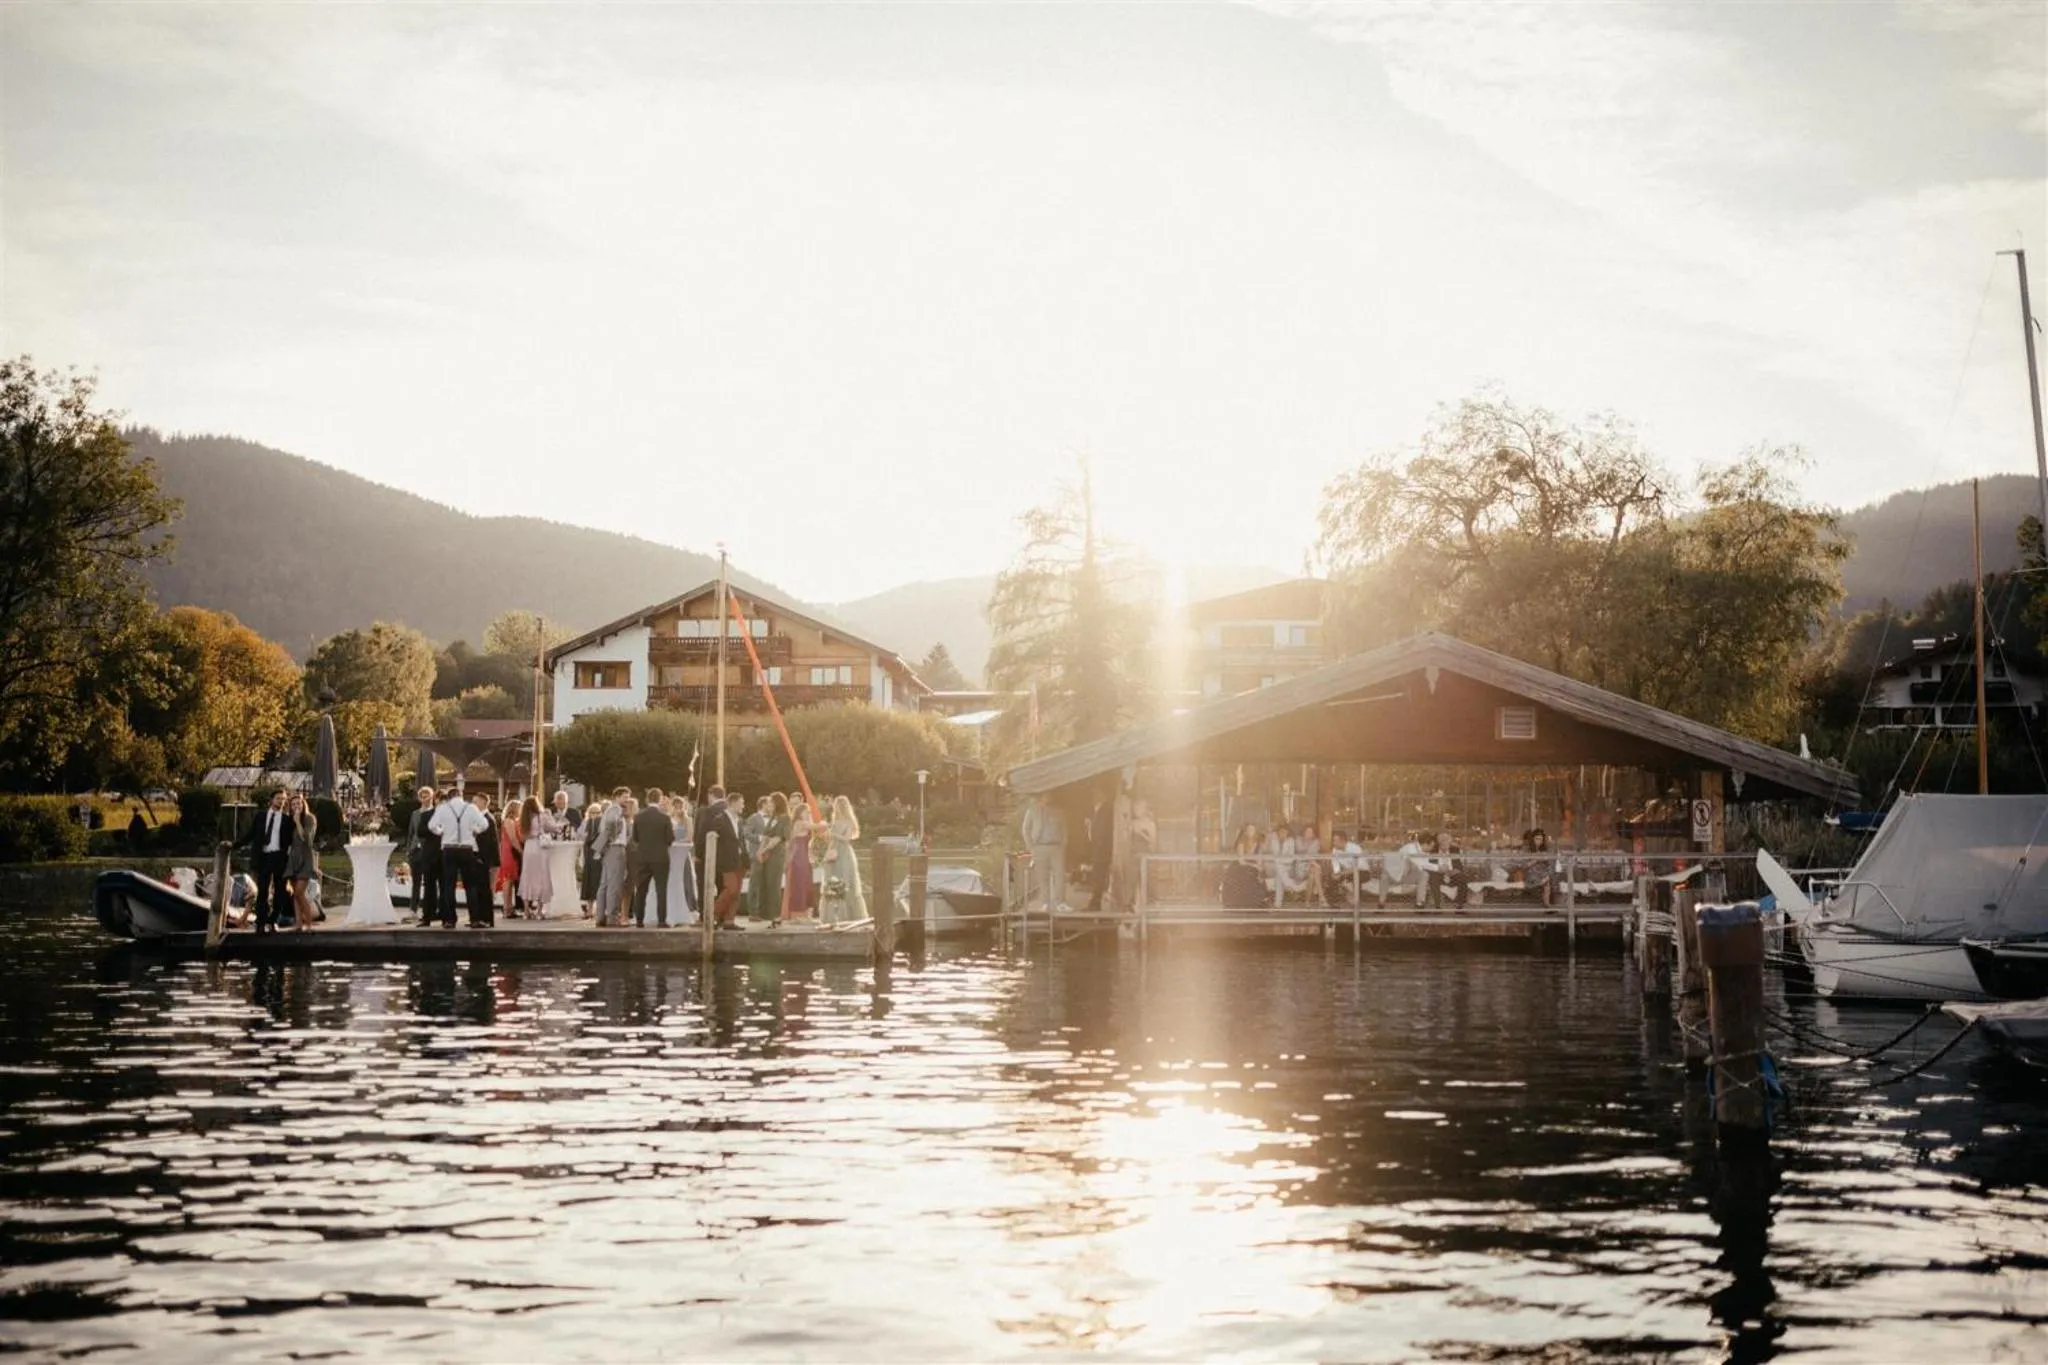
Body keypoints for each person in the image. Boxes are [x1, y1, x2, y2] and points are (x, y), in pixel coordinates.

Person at [429, 787, 493, 927]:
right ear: (461, 795)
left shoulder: (443, 808)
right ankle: (474, 919)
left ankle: (450, 920)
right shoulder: (470, 808)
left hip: (449, 849)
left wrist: (442, 832)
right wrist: (474, 831)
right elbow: (484, 824)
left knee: (448, 885)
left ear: (449, 797)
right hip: (467, 848)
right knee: (470, 885)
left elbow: (432, 825)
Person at [241, 789, 295, 933]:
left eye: (283, 799)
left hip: (279, 858)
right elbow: (251, 834)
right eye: (278, 798)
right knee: (262, 892)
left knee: (280, 892)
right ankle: (260, 923)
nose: (281, 801)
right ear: (271, 800)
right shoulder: (260, 816)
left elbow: (293, 840)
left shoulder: (287, 819)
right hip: (263, 857)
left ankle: (273, 921)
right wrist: (235, 845)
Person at [624, 786, 676, 927]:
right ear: (660, 799)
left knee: (641, 890)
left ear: (647, 799)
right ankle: (661, 921)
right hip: (660, 858)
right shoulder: (665, 817)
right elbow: (670, 838)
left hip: (643, 858)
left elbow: (635, 838)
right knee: (661, 890)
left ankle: (639, 920)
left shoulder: (639, 817)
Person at [818, 795, 867, 923]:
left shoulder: (849, 822)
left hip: (844, 852)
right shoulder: (834, 821)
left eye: (838, 806)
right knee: (832, 880)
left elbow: (847, 838)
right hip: (834, 850)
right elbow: (830, 839)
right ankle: (832, 915)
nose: (836, 808)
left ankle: (848, 914)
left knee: (845, 880)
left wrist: (833, 834)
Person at [405, 785, 442, 927]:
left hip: (430, 850)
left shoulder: (436, 812)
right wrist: (409, 849)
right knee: (415, 881)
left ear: (432, 797)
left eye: (427, 794)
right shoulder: (415, 814)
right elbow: (411, 832)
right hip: (415, 850)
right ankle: (413, 909)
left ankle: (433, 908)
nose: (424, 797)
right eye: (422, 795)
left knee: (431, 882)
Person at [285, 793, 321, 930]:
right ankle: (298, 924)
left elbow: (307, 840)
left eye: (298, 803)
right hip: (293, 858)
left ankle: (309, 924)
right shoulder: (291, 820)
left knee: (300, 892)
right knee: (295, 893)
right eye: (293, 804)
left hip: (305, 858)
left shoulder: (310, 818)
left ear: (303, 804)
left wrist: (298, 822)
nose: (296, 806)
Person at [595, 787, 630, 926]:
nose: (626, 800)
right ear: (617, 797)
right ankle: (612, 917)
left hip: (609, 849)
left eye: (627, 797)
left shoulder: (610, 809)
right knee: (614, 884)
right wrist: (612, 839)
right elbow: (610, 826)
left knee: (604, 884)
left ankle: (600, 916)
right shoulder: (616, 809)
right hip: (616, 848)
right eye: (624, 797)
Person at [753, 793, 790, 920]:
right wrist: (759, 850)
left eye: (771, 802)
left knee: (774, 884)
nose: (769, 804)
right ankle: (764, 913)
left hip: (776, 855)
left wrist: (764, 849)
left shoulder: (785, 819)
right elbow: (766, 835)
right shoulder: (772, 818)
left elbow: (779, 838)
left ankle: (775, 915)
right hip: (766, 855)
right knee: (764, 883)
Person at [518, 797, 556, 915]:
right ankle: (539, 911)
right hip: (539, 846)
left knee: (527, 877)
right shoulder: (542, 816)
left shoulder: (523, 819)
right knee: (541, 877)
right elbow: (552, 827)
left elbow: (522, 837)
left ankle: (526, 910)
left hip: (529, 847)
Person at [782, 796, 817, 918]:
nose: (808, 813)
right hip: (798, 854)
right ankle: (797, 913)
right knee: (799, 881)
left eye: (808, 812)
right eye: (806, 812)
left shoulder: (804, 823)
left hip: (804, 853)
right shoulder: (799, 823)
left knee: (806, 882)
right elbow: (816, 826)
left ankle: (805, 912)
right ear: (800, 813)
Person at [1083, 791, 1115, 914]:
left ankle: (1095, 904)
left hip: (1102, 849)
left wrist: (1093, 830)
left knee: (1099, 877)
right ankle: (1094, 903)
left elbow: (1101, 831)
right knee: (1098, 877)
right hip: (1099, 848)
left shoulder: (1105, 809)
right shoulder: (1097, 811)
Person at [1221, 823, 1266, 908]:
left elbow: (1259, 858)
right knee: (1246, 875)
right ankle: (1242, 903)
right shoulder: (1241, 842)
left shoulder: (1257, 842)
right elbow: (1241, 861)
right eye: (1249, 830)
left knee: (1258, 875)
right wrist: (1255, 866)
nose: (1251, 832)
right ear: (1245, 831)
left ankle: (1256, 902)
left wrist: (1259, 867)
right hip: (1240, 866)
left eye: (1253, 830)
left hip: (1252, 866)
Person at [496, 797, 526, 919]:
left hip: (512, 851)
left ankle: (509, 907)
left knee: (511, 879)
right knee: (507, 879)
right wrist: (522, 851)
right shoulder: (509, 821)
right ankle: (506, 908)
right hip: (509, 852)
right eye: (520, 808)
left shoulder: (515, 821)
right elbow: (513, 839)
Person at [741, 795, 768, 911]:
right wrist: (760, 838)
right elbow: (746, 833)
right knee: (755, 883)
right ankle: (753, 911)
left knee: (765, 883)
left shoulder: (773, 818)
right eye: (769, 804)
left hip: (769, 854)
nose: (772, 806)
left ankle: (764, 909)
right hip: (756, 853)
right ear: (763, 805)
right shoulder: (753, 818)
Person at [579, 801, 605, 916]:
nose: (594, 815)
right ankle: (589, 909)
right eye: (592, 812)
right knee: (588, 880)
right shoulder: (586, 823)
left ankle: (599, 909)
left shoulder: (602, 823)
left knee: (598, 880)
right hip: (588, 853)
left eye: (597, 812)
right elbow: (579, 834)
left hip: (598, 853)